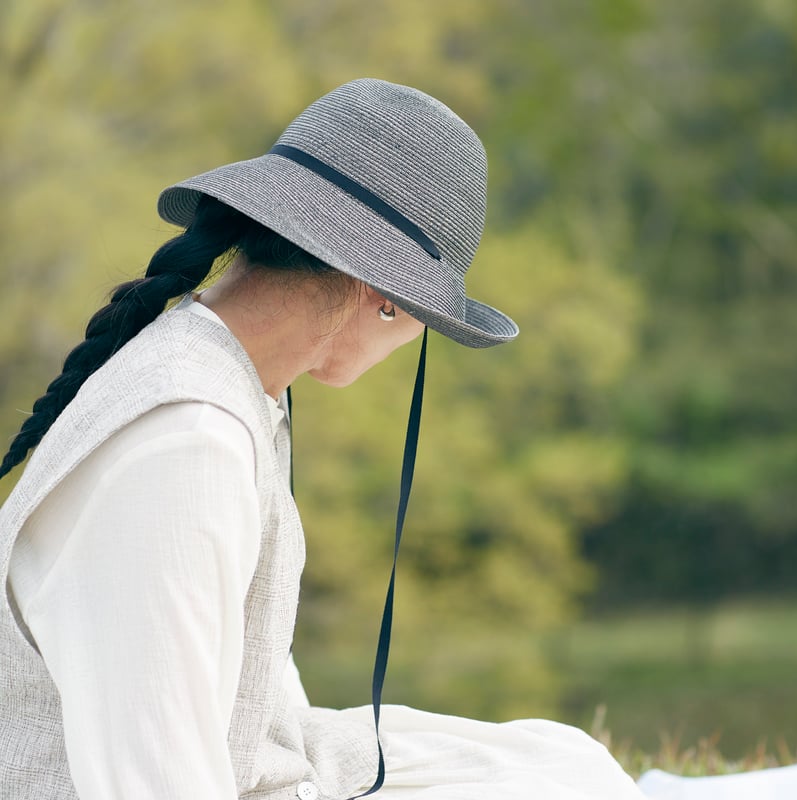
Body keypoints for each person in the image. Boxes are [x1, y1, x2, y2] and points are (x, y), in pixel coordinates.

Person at [0, 79, 648, 799]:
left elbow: (243, 701)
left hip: (250, 766)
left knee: (564, 763)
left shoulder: (217, 381)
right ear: (386, 299)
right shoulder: (184, 444)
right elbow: (155, 778)